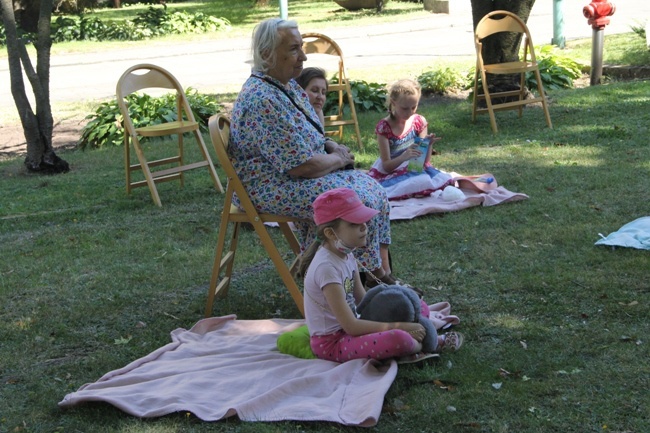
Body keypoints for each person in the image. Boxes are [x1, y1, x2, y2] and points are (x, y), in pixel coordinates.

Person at [229, 18, 399, 286]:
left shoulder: (286, 85)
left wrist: (331, 146)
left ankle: (376, 274)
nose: (303, 57)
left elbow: (312, 135)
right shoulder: (262, 98)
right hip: (270, 187)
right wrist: (339, 158)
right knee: (353, 199)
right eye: (294, 49)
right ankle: (351, 284)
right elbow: (301, 166)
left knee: (371, 188)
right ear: (266, 54)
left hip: (293, 178)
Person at [299, 187, 463, 363]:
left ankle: (418, 337)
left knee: (415, 305)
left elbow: (363, 301)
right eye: (354, 223)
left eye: (363, 220)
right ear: (331, 233)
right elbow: (351, 326)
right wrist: (400, 326)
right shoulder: (326, 268)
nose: (364, 227)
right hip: (333, 343)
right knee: (399, 339)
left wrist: (395, 304)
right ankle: (427, 344)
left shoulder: (347, 254)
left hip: (354, 325)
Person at [368, 78, 454, 200]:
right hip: (390, 170)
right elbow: (387, 166)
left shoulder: (419, 122)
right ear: (393, 103)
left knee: (431, 179)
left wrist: (428, 145)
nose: (410, 112)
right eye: (405, 108)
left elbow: (422, 162)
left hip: (413, 167)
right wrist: (404, 156)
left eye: (414, 107)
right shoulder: (384, 128)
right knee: (415, 182)